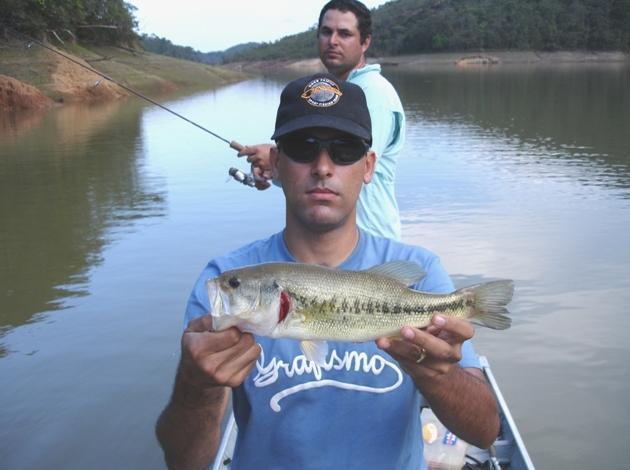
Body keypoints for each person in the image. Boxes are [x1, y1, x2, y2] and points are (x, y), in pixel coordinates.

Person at [156, 73, 500, 470]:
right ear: (277, 163)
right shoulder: (224, 277)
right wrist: (195, 386)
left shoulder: (423, 271)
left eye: (345, 149)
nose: (323, 167)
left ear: (369, 166)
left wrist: (438, 377)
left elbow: (486, 432)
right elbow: (185, 463)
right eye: (303, 148)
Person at [240, 0, 405, 240]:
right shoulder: (338, 93)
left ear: (365, 42)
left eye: (345, 33)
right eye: (326, 32)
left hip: (370, 245)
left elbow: (348, 169)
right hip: (333, 247)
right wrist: (276, 169)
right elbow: (322, 169)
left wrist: (279, 160)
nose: (333, 41)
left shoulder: (373, 93)